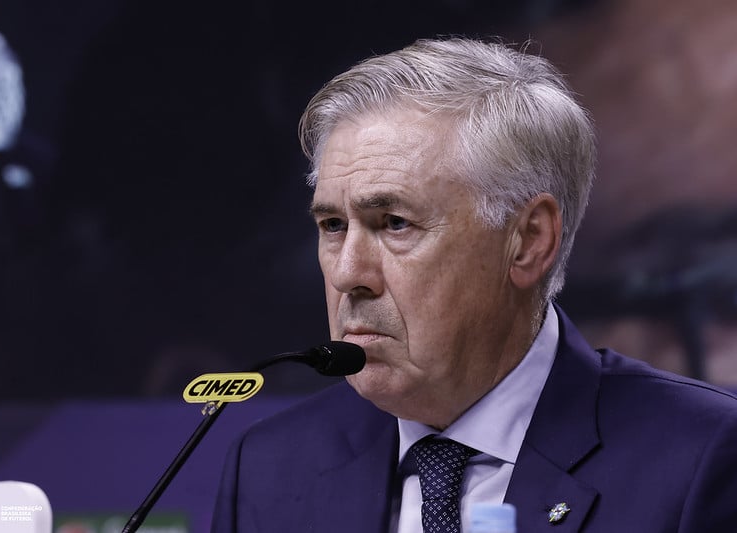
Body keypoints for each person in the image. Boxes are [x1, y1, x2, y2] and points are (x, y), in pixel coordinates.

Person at [211, 37, 737, 533]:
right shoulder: (269, 466)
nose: (348, 274)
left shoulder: (703, 457)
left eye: (395, 223)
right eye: (332, 225)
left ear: (528, 240)